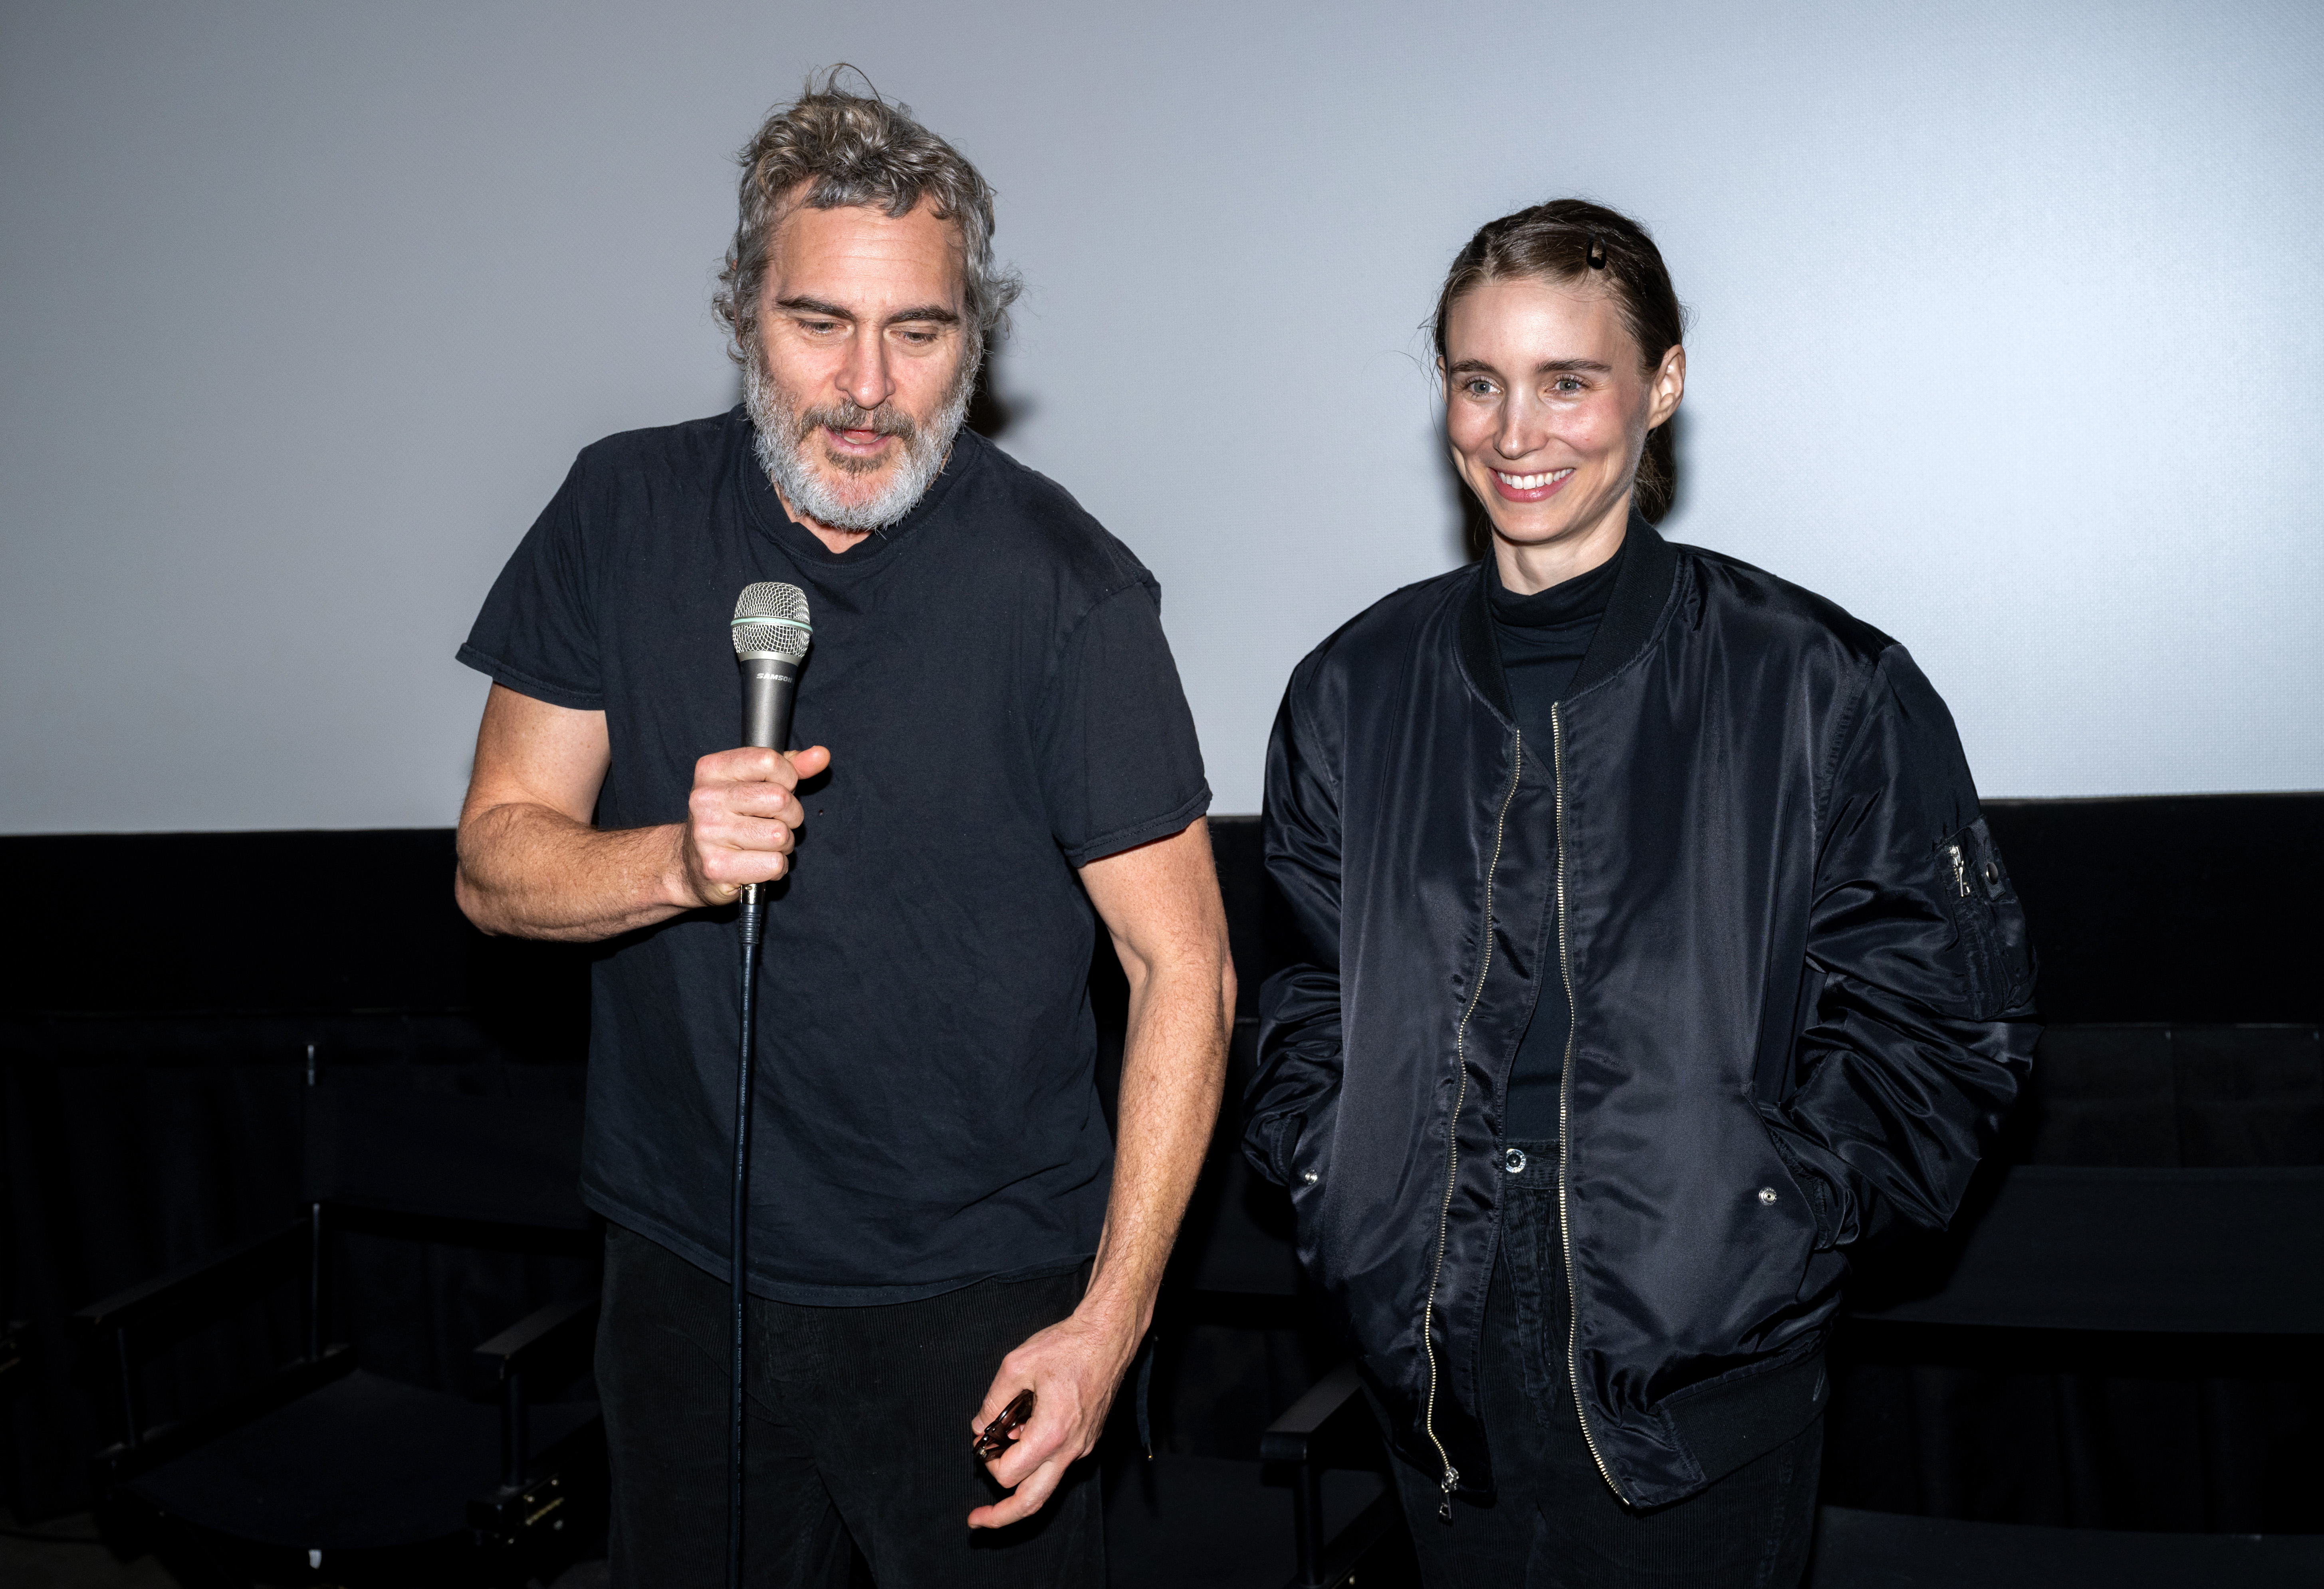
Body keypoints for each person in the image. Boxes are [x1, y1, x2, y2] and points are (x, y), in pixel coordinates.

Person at [452, 73, 1232, 1588]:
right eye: (821, 324)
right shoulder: (619, 513)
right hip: (681, 1276)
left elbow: (1184, 967)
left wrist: (1109, 1321)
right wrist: (670, 862)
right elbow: (496, 856)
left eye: (919, 333)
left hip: (980, 1297)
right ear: (748, 311)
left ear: (973, 342)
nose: (866, 386)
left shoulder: (1068, 589)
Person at [1244, 199, 2038, 1587]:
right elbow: (1305, 993)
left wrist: (1771, 1213)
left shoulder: (1818, 685)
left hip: (1699, 1352)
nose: (1514, 430)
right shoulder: (1348, 693)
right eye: (1478, 381)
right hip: (1429, 1342)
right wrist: (1335, 1176)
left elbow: (1938, 1026)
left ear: (1660, 385)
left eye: (1569, 380)